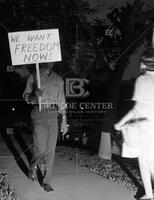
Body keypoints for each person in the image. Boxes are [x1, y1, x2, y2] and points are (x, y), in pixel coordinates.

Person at [115, 48, 154, 200]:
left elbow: (137, 109)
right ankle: (149, 194)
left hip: (146, 127)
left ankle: (150, 194)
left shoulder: (142, 80)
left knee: (146, 161)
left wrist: (120, 123)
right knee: (147, 160)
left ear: (144, 63)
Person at [23, 62, 68, 192]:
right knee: (41, 147)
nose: (50, 61)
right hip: (38, 112)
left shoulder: (58, 79)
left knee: (51, 149)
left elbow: (62, 101)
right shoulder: (33, 77)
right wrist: (34, 95)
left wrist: (64, 120)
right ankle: (33, 165)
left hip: (53, 114)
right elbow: (27, 97)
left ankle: (47, 181)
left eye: (53, 59)